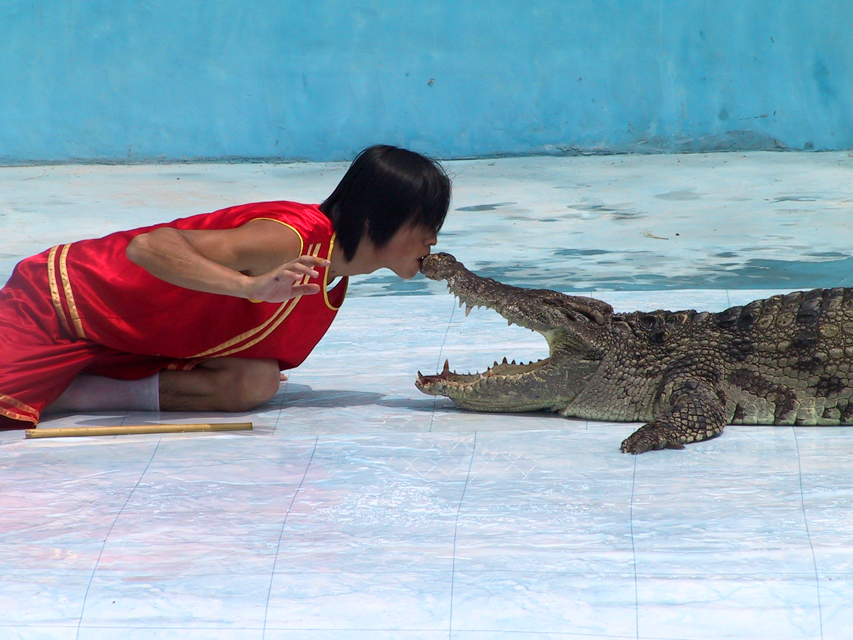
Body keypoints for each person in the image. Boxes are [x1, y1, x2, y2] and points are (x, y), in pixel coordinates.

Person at [0, 145, 451, 429]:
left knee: (256, 382)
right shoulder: (291, 237)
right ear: (379, 219)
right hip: (57, 304)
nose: (433, 238)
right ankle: (56, 388)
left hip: (120, 340)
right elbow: (148, 248)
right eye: (426, 223)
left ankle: (70, 391)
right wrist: (248, 286)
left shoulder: (333, 276)